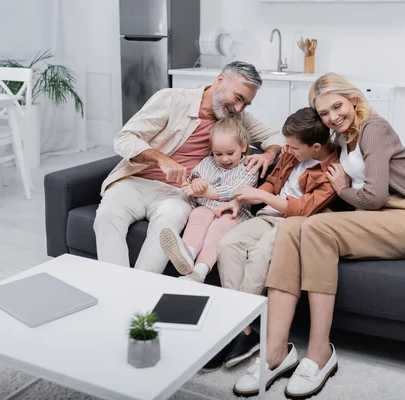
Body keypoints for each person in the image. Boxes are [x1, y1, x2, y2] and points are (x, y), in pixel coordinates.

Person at [232, 72, 405, 398]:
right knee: (290, 226)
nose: (333, 116)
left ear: (353, 99)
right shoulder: (344, 137)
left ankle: (320, 354)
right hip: (371, 221)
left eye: (337, 106)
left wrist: (343, 189)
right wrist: (276, 153)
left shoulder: (375, 128)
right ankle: (274, 352)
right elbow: (302, 148)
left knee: (315, 227)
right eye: (325, 112)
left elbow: (373, 197)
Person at [93, 61, 284, 274]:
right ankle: (116, 288)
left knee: (168, 225)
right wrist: (161, 159)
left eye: (246, 104)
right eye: (238, 98)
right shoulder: (172, 100)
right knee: (107, 216)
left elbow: (275, 136)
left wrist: (269, 153)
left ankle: (141, 291)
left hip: (177, 193)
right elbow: (124, 139)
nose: (239, 108)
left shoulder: (237, 118)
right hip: (135, 181)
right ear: (220, 81)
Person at [200, 107, 340, 373]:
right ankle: (243, 328)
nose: (286, 150)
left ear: (316, 146)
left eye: (293, 147)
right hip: (266, 215)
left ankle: (237, 329)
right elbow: (273, 183)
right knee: (228, 244)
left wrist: (263, 197)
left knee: (261, 254)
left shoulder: (331, 171)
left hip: (292, 224)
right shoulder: (290, 152)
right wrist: (239, 200)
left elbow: (303, 209)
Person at [159, 118, 258, 283]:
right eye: (218, 154)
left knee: (218, 228)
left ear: (244, 146)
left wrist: (206, 192)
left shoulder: (249, 167)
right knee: (198, 215)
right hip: (206, 207)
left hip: (233, 212)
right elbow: (193, 179)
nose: (224, 159)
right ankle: (187, 254)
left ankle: (200, 271)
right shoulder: (208, 162)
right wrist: (196, 183)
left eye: (230, 153)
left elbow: (236, 191)